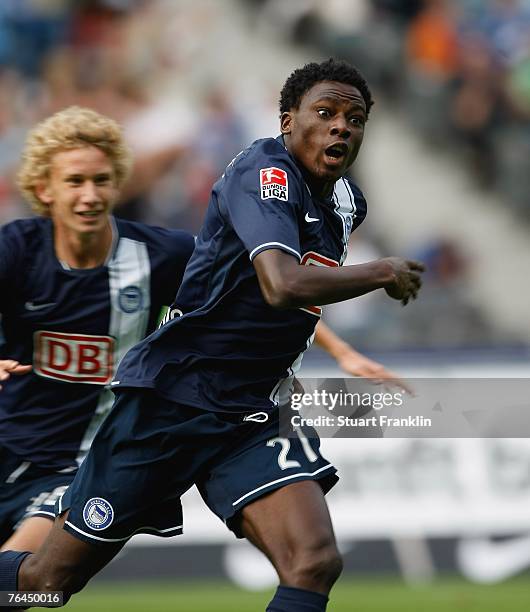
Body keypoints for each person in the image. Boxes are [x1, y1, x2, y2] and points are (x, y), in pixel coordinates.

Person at [1, 59, 423, 611]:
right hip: (170, 403)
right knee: (45, 584)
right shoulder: (262, 172)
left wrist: (341, 351)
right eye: (325, 113)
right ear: (287, 120)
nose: (341, 126)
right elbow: (279, 283)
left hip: (249, 411)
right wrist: (381, 272)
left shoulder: (346, 203)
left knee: (314, 560)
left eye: (355, 118)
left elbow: (280, 300)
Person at [0, 106, 195, 553]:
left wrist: (335, 349)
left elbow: (260, 289)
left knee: (21, 582)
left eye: (101, 180)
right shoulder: (16, 250)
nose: (90, 195)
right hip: (7, 448)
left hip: (83, 468)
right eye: (74, 182)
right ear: (43, 189)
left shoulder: (159, 255)